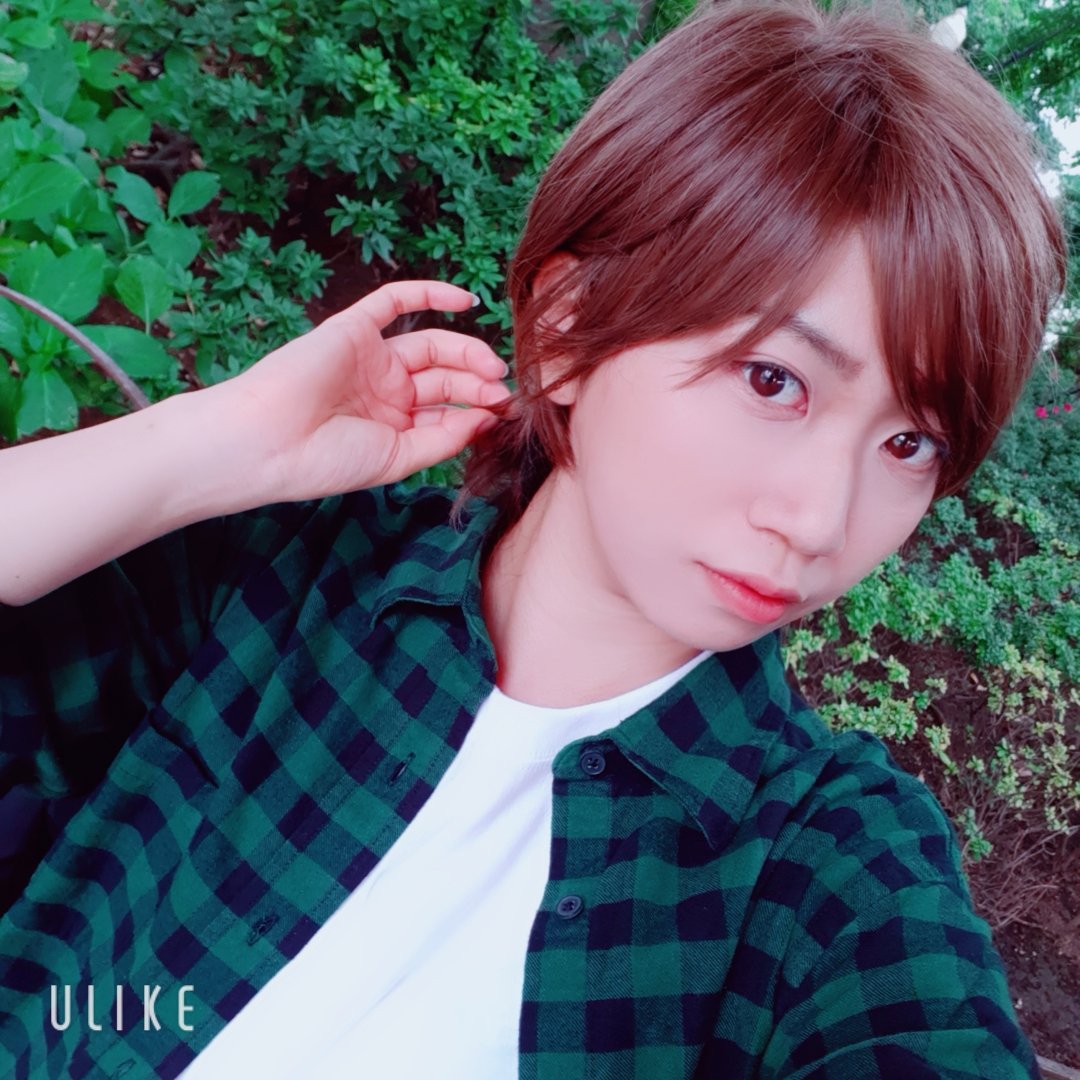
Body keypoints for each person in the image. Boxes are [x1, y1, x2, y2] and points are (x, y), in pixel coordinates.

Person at [0, 0, 1066, 1076]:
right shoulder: (277, 579)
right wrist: (205, 446)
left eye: (910, 444)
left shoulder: (831, 874)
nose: (821, 520)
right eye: (773, 380)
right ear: (567, 331)